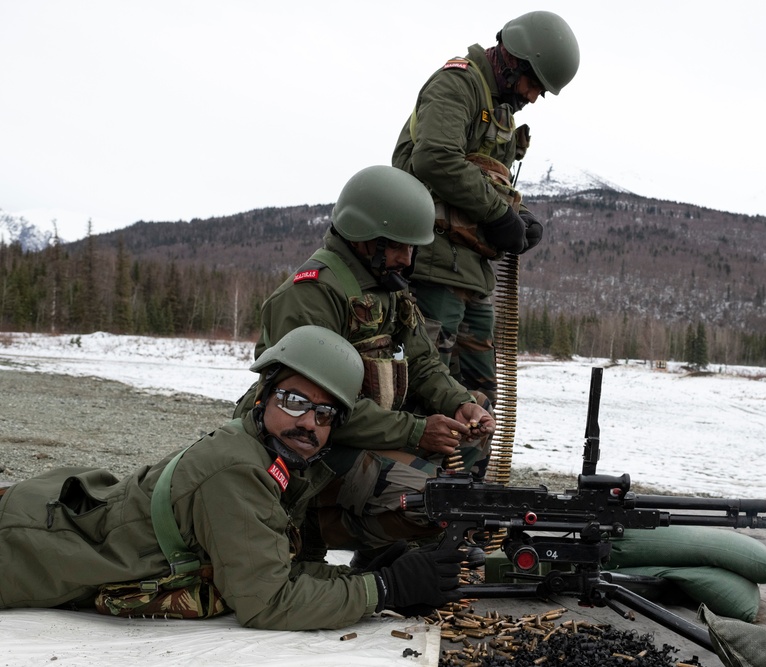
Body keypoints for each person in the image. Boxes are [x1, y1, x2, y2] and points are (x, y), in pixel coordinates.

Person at [0, 326, 464, 630]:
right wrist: (384, 589)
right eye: (295, 402)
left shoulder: (267, 457)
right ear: (262, 398)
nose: (309, 423)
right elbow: (267, 601)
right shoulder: (238, 470)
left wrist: (370, 574)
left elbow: (266, 565)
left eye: (324, 414)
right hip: (24, 549)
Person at [233, 165, 495, 563]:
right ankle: (308, 528)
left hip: (359, 431)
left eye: (412, 249)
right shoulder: (312, 295)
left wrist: (458, 402)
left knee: (466, 448)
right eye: (397, 246)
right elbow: (309, 410)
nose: (406, 261)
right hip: (308, 444)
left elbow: (422, 362)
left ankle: (400, 542)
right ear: (362, 237)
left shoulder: (386, 288)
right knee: (430, 499)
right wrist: (417, 432)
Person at [392, 10, 580, 405]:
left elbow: (493, 181)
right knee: (429, 394)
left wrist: (520, 215)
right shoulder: (457, 84)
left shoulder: (502, 113)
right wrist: (498, 214)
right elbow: (436, 158)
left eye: (540, 91)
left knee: (479, 401)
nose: (532, 96)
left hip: (473, 274)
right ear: (513, 60)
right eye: (533, 83)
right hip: (432, 264)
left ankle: (470, 471)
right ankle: (419, 470)